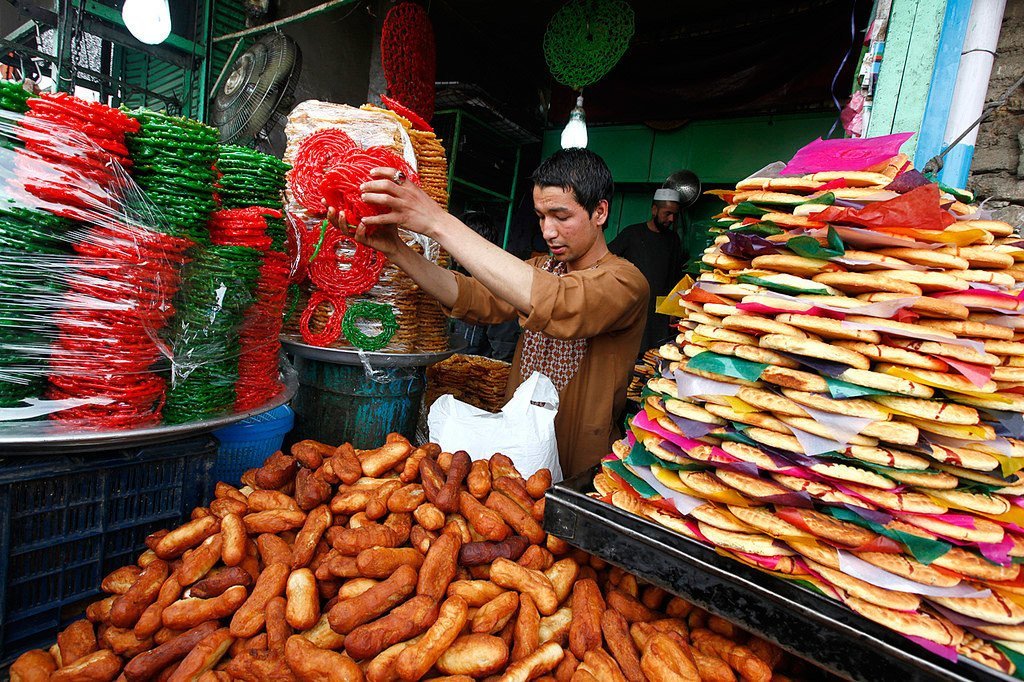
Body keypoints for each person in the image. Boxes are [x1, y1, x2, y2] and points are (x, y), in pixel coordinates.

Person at [327, 148, 649, 476]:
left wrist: (438, 222)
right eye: (541, 216)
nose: (548, 231)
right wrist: (397, 250)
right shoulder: (541, 267)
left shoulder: (625, 281)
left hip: (579, 466)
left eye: (561, 216)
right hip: (517, 453)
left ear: (600, 212)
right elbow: (474, 297)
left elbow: (559, 301)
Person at [609, 188, 685, 355]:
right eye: (667, 213)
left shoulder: (673, 240)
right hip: (633, 308)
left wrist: (674, 309)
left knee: (653, 357)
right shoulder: (632, 233)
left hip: (659, 313)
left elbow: (675, 277)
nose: (671, 219)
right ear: (654, 210)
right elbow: (607, 259)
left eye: (674, 215)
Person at [449, 211, 520, 361]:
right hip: (454, 368)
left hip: (477, 374)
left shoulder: (498, 288)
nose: (451, 247)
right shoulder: (459, 277)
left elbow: (504, 351)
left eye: (458, 241)